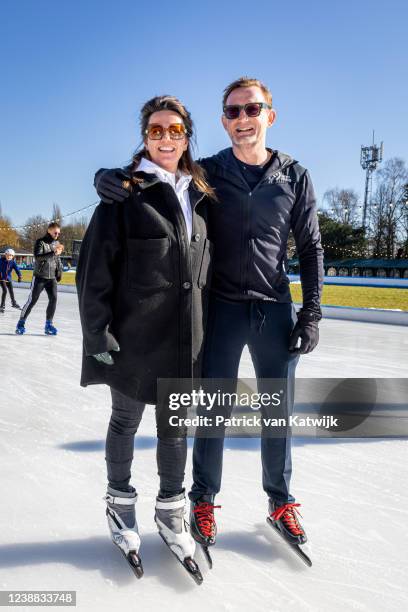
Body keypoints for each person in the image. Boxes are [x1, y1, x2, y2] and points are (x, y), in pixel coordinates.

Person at [94, 77, 324, 559]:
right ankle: (202, 500)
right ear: (223, 121)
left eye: (252, 110)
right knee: (213, 410)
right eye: (234, 112)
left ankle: (280, 502)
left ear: (269, 116)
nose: (243, 119)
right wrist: (108, 177)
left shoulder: (295, 175)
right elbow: (157, 174)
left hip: (274, 307)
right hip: (218, 307)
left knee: (276, 412)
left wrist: (312, 312)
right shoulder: (208, 173)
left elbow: (311, 248)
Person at [76, 95, 215, 581]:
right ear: (145, 136)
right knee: (126, 420)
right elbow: (94, 272)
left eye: (174, 130)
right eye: (155, 130)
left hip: (183, 339)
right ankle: (119, 502)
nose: (165, 138)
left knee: (176, 428)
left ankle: (171, 510)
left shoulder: (197, 194)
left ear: (186, 135)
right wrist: (97, 333)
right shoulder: (124, 194)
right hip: (133, 337)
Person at [15, 222, 64, 335]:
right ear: (49, 230)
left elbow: (57, 259)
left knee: (54, 299)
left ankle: (49, 325)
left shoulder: (56, 243)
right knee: (32, 301)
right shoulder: (40, 242)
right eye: (55, 232)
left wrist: (59, 271)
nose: (57, 234)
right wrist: (53, 253)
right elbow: (38, 258)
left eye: (58, 233)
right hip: (40, 277)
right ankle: (21, 323)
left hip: (52, 278)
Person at [0, 248, 22, 312]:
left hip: (8, 278)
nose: (9, 256)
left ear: (13, 256)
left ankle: (13, 303)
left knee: (11, 291)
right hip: (1, 278)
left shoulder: (12, 262)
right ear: (5, 255)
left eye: (11, 255)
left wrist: (19, 276)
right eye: (8, 255)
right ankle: (2, 305)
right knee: (5, 291)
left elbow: (17, 269)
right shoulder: (1, 261)